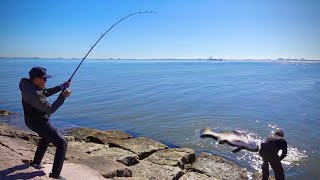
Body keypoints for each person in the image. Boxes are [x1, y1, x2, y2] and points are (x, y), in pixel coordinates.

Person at [19, 67, 71, 180]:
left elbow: (45, 92)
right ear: (37, 79)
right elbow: (50, 109)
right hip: (39, 122)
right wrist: (63, 96)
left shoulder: (28, 85)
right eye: (44, 79)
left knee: (46, 137)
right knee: (62, 143)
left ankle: (36, 163)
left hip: (30, 121)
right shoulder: (34, 95)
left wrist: (62, 86)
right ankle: (55, 175)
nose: (46, 81)